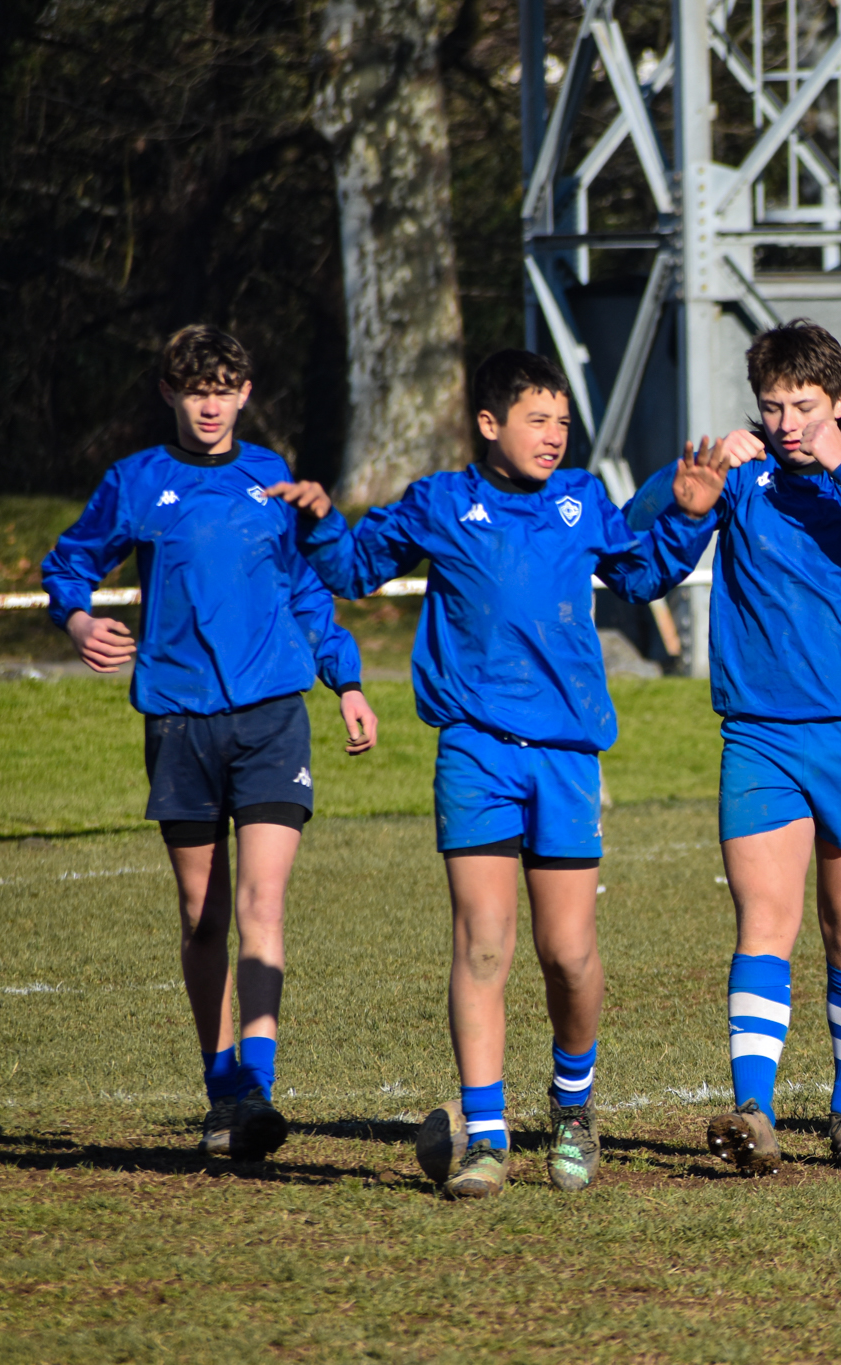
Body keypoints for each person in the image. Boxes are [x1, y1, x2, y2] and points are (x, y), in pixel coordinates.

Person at [268, 349, 725, 1198]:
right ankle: (485, 1137)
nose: (554, 436)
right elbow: (353, 571)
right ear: (489, 423)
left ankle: (573, 1109)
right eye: (536, 419)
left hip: (566, 757)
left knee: (569, 954)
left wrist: (690, 518)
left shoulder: (581, 499)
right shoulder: (441, 502)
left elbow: (640, 575)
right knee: (482, 944)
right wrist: (325, 519)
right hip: (475, 752)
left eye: (562, 422)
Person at [41, 324, 377, 1161]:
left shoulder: (272, 478)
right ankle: (222, 1087)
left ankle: (255, 1089)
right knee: (203, 915)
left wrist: (347, 680)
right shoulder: (136, 482)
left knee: (264, 904)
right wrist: (79, 620)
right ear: (170, 394)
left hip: (272, 717)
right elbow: (68, 564)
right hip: (179, 720)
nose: (211, 406)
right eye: (197, 391)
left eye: (224, 390)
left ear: (246, 393)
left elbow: (306, 590)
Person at [627, 319, 841, 1175]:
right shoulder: (743, 475)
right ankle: (754, 1113)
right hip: (760, 737)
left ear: (840, 401)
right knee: (764, 921)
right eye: (772, 407)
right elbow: (636, 567)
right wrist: (686, 495)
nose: (787, 424)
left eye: (804, 406)